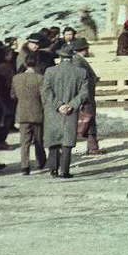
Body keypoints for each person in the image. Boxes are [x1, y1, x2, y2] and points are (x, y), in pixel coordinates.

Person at [41, 46, 87, 180]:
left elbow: (46, 91)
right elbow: (84, 93)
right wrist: (71, 105)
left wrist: (58, 105)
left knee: (54, 139)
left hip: (54, 111)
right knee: (67, 141)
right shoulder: (81, 72)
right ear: (72, 56)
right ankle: (64, 170)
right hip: (70, 111)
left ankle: (53, 169)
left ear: (60, 57)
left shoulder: (50, 71)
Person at [12, 52, 47, 174]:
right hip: (37, 112)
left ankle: (25, 166)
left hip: (22, 113)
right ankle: (40, 161)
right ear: (36, 64)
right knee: (38, 140)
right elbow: (44, 97)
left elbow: (13, 95)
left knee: (24, 142)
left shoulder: (16, 78)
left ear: (25, 63)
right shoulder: (40, 78)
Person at [72, 40, 102, 156]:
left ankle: (92, 146)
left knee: (88, 120)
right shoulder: (78, 62)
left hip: (85, 94)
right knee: (89, 120)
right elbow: (82, 79)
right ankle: (93, 147)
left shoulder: (77, 60)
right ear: (84, 50)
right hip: (86, 95)